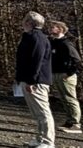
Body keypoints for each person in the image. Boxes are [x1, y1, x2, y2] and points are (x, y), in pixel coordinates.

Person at [16, 11, 54, 148]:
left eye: (25, 21)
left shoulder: (37, 38)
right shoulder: (30, 37)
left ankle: (48, 141)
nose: (23, 24)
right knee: (36, 112)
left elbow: (36, 60)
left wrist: (32, 81)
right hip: (30, 79)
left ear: (29, 23)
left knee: (43, 111)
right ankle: (39, 138)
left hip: (37, 81)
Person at [48, 20, 82, 134]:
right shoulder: (53, 42)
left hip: (66, 75)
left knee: (70, 98)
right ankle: (69, 121)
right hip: (56, 74)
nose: (50, 29)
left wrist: (69, 73)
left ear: (60, 29)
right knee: (63, 98)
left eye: (53, 27)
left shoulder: (66, 44)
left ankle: (76, 123)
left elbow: (76, 60)